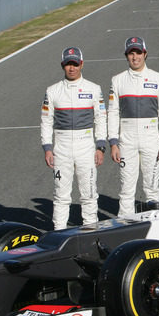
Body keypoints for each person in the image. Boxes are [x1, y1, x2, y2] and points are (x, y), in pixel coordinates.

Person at [40, 46, 106, 228]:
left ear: (81, 64)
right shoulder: (52, 91)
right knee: (61, 196)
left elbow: (101, 119)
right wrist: (47, 148)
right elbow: (46, 121)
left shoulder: (94, 89)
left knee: (89, 194)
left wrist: (100, 147)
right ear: (62, 65)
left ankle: (91, 232)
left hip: (86, 147)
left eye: (75, 64)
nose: (72, 68)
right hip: (61, 148)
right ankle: (59, 233)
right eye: (68, 64)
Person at [107, 36, 159, 217]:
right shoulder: (117, 80)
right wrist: (113, 142)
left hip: (151, 139)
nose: (135, 57)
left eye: (138, 53)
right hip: (126, 141)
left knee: (152, 187)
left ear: (145, 54)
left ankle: (156, 226)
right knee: (126, 189)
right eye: (131, 53)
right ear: (126, 56)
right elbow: (112, 112)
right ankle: (125, 228)